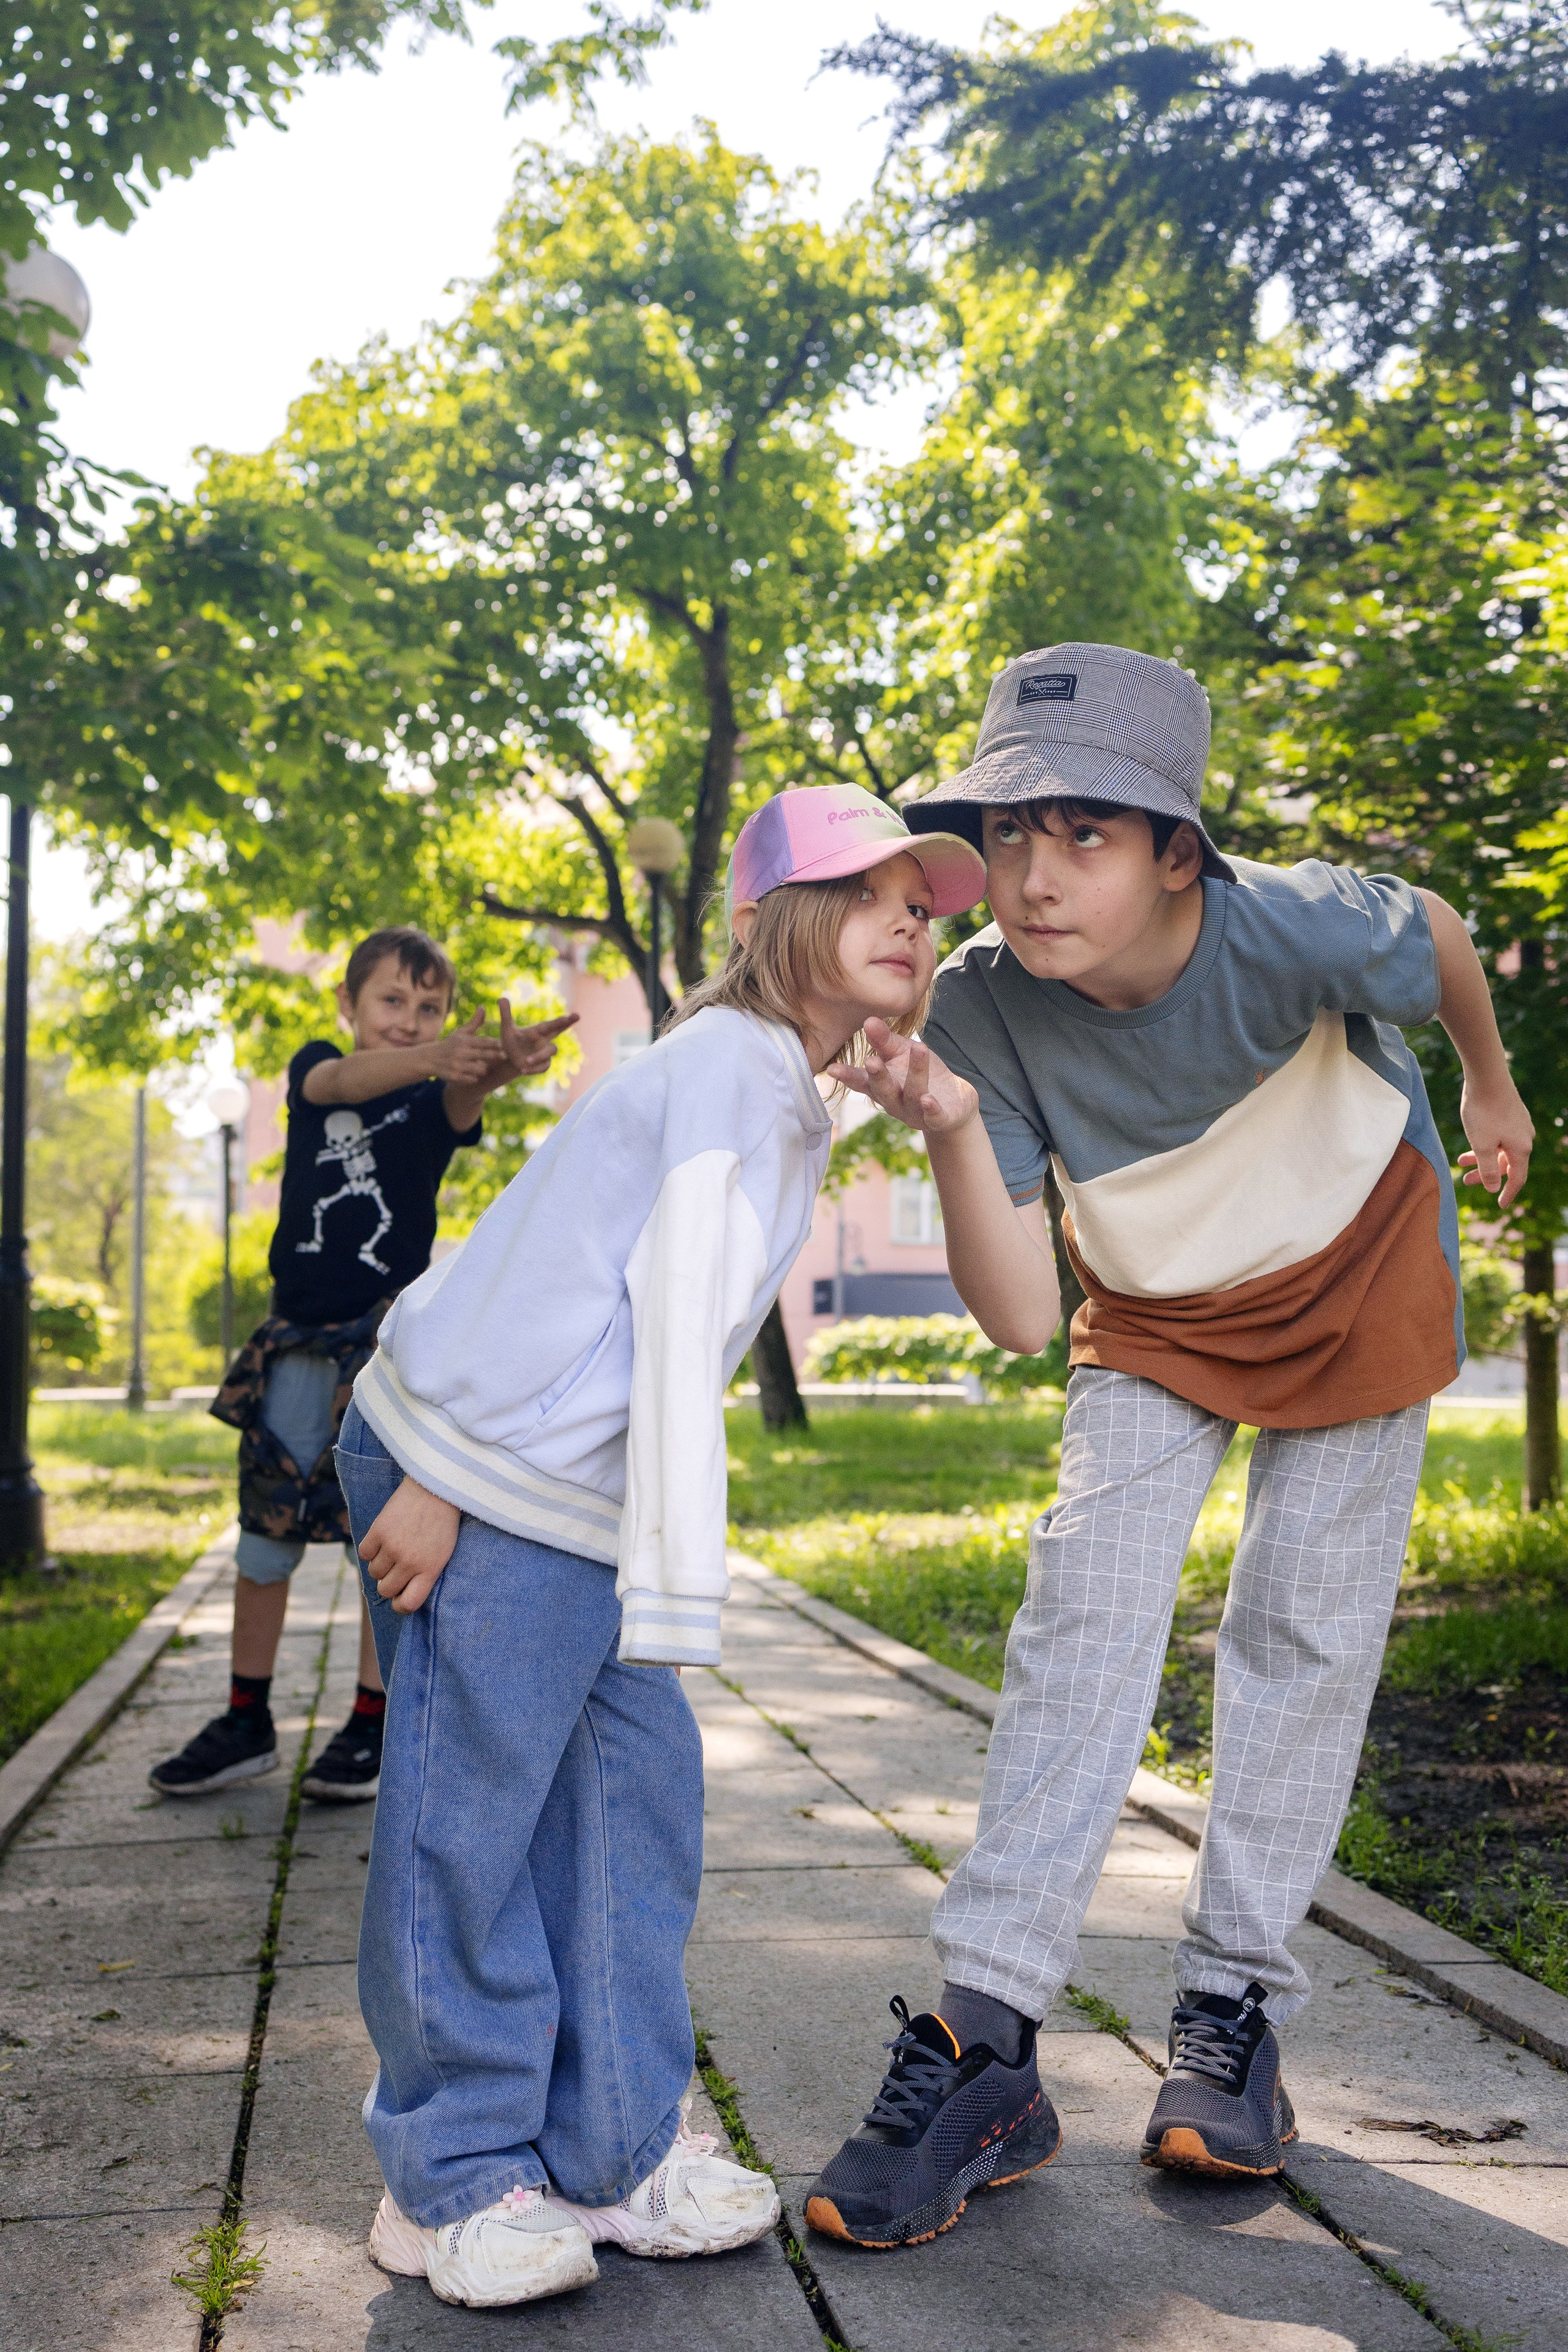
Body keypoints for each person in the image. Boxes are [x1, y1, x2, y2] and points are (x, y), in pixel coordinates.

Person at [803, 641, 1534, 2248]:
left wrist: (1491, 1091)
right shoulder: (983, 1007)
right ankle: (985, 2040)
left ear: (1177, 855)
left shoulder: (1282, 922)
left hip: (1356, 1259)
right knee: (1083, 1617)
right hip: (1150, 1305)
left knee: (1298, 1628)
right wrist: (938, 1133)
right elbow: (1014, 1312)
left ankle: (1228, 2026)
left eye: (1085, 835)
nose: (1033, 877)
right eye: (1007, 836)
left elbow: (1443, 938)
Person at [331, 786, 988, 2310]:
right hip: (480, 1470)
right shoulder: (719, 1071)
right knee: (469, 1831)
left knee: (632, 1813)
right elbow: (551, 1282)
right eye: (873, 890)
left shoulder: (776, 1086)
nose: (914, 918)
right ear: (777, 920)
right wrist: (445, 1469)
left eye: (924, 902)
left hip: (579, 1502)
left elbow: (656, 1331)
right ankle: (447, 2180)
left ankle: (617, 2149)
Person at [149, 925, 575, 1803]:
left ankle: (371, 1723)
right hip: (298, 1344)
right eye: (392, 1002)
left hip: (385, 1356)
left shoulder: (432, 1103)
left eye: (430, 1009)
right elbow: (338, 1079)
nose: (409, 1021)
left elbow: (460, 1096)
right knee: (265, 1536)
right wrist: (440, 1053)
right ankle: (245, 1717)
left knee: (377, 1544)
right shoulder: (321, 1073)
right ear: (349, 1004)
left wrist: (491, 1065)